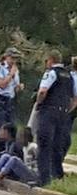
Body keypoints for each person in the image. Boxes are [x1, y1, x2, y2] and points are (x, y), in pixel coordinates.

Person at [33, 50, 77, 186]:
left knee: (44, 144)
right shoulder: (69, 76)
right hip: (63, 114)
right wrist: (66, 111)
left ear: (50, 60)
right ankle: (57, 176)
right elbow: (74, 99)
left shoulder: (51, 73)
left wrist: (39, 103)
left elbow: (42, 91)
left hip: (49, 111)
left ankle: (43, 178)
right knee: (57, 146)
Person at [0, 47, 23, 145]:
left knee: (10, 128)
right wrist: (11, 74)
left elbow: (14, 88)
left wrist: (19, 87)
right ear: (6, 57)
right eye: (12, 58)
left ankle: (7, 149)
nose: (14, 61)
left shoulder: (16, 70)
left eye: (16, 59)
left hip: (9, 101)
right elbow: (2, 85)